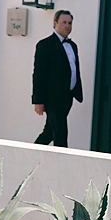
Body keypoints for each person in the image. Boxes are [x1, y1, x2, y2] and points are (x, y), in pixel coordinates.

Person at [32, 10, 82, 147]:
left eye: (70, 23)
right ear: (55, 24)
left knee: (50, 131)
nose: (67, 26)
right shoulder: (45, 45)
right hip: (52, 98)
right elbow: (39, 75)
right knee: (60, 132)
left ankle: (31, 155)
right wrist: (38, 100)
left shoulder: (73, 46)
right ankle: (63, 164)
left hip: (67, 97)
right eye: (64, 22)